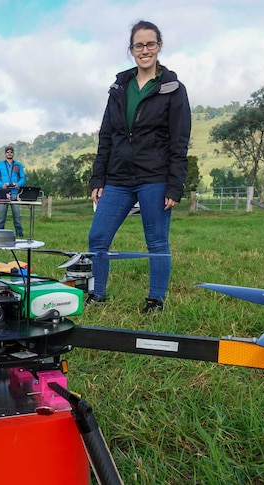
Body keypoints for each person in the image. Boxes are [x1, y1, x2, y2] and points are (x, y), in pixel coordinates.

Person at [86, 20, 191, 314]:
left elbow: (179, 140)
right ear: (131, 50)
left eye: (150, 44)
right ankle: (98, 293)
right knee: (98, 237)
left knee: (156, 241)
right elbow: (106, 135)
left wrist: (174, 185)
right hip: (118, 178)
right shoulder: (120, 87)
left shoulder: (172, 88)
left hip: (154, 178)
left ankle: (155, 300)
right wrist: (98, 177)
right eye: (138, 45)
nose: (144, 50)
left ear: (159, 46)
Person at [0, 146, 26, 237]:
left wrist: (18, 184)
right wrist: (1, 185)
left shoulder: (18, 165)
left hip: (14, 193)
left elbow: (23, 178)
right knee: (1, 217)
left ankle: (19, 235)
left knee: (17, 217)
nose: (9, 153)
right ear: (5, 154)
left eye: (11, 152)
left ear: (13, 154)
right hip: (3, 193)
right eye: (8, 152)